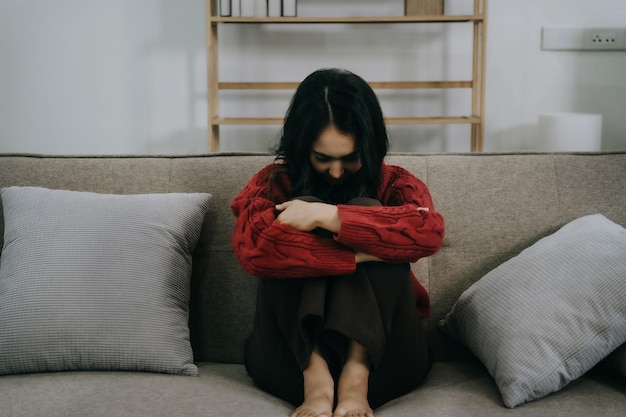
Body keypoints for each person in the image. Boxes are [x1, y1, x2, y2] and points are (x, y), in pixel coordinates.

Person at [230, 68, 445, 417]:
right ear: (302, 147)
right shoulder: (273, 184)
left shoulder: (395, 184)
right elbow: (257, 251)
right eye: (322, 158)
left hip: (384, 359)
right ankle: (316, 378)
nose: (335, 172)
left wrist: (328, 218)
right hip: (290, 363)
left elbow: (428, 232)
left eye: (349, 158)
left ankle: (355, 375)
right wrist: (366, 254)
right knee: (301, 228)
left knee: (362, 210)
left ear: (370, 145)